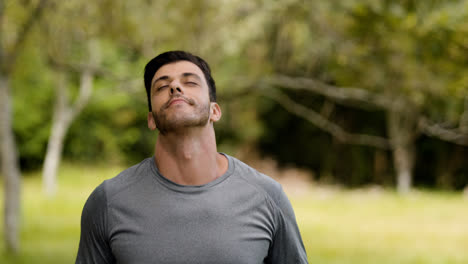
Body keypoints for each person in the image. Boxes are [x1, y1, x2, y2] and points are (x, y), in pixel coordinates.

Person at [75, 50, 308, 264]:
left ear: (214, 111)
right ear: (151, 119)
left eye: (190, 82)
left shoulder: (268, 197)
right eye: (161, 86)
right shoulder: (108, 202)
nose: (175, 87)